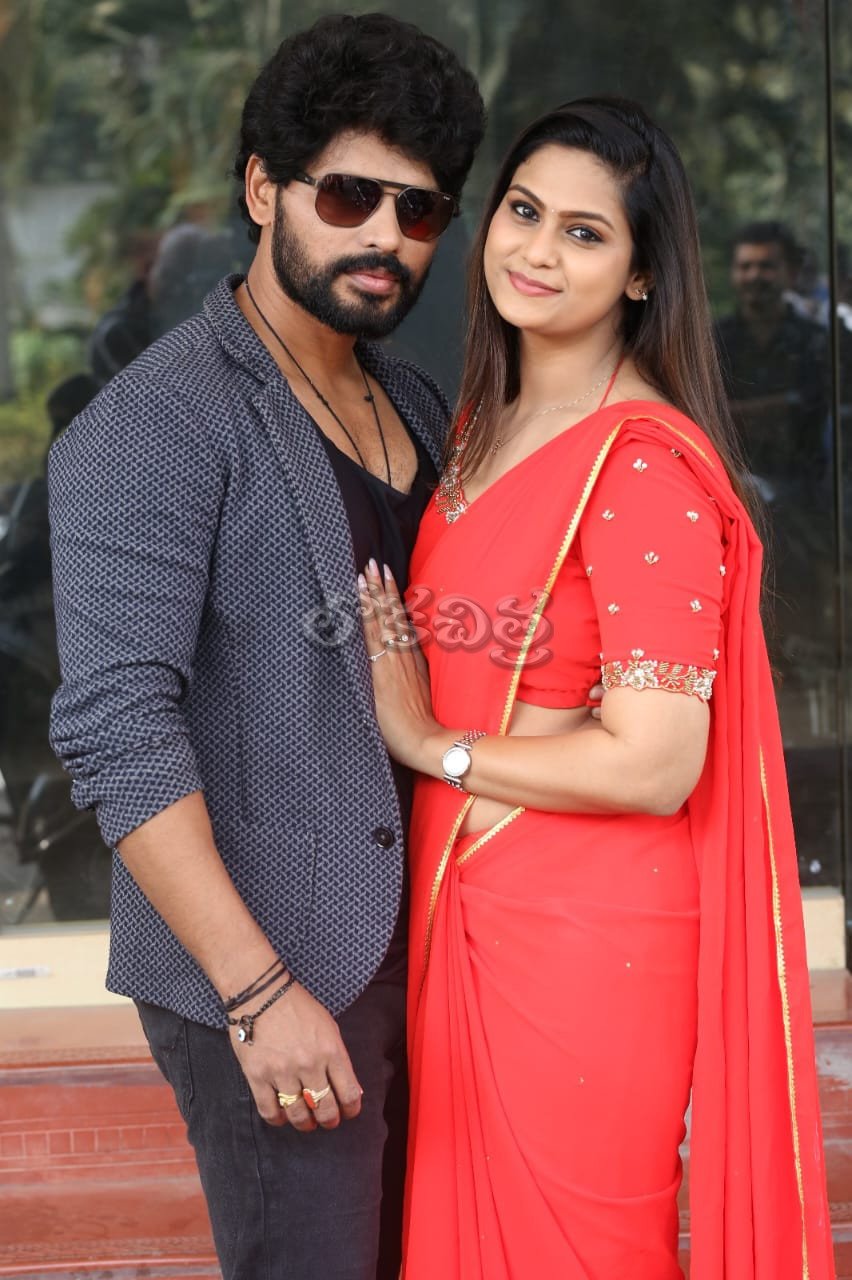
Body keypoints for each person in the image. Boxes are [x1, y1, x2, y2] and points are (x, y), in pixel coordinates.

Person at [360, 98, 835, 1279]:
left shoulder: (642, 464)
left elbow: (657, 759)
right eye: (524, 211)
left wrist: (430, 742)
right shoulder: (484, 424)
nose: (537, 249)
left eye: (584, 233)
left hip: (583, 937)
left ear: (641, 273)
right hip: (471, 905)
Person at [47, 14, 484, 1280]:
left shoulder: (412, 401)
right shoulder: (155, 423)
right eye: (348, 195)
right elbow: (119, 733)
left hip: (430, 958)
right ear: (261, 189)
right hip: (278, 969)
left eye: (418, 209)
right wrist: (256, 994)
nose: (383, 236)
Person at [714, 219, 828, 496]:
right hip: (729, 487)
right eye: (745, 266)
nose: (754, 275)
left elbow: (812, 409)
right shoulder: (712, 341)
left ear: (791, 273)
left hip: (806, 493)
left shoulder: (819, 341)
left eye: (767, 266)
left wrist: (736, 414)